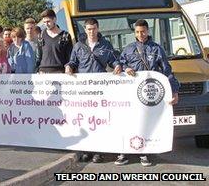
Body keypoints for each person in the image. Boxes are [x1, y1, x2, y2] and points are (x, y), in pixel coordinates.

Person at [115, 19, 180, 167]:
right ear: (134, 32)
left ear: (148, 31)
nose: (140, 35)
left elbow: (167, 71)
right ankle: (123, 152)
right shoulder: (128, 49)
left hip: (149, 93)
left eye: (143, 31)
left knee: (146, 122)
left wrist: (175, 91)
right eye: (137, 32)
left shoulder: (157, 49)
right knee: (128, 121)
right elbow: (120, 63)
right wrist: (125, 68)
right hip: (130, 93)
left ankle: (145, 153)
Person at [65, 18, 122, 164]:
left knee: (99, 119)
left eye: (94, 29)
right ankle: (86, 150)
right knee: (85, 119)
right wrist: (69, 67)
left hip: (100, 89)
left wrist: (117, 66)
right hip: (83, 89)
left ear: (98, 28)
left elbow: (113, 60)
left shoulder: (106, 44)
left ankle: (98, 151)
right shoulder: (78, 46)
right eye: (89, 29)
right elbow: (73, 61)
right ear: (85, 30)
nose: (91, 32)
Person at [38, 9, 73, 73]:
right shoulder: (40, 36)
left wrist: (68, 66)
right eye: (44, 22)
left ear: (54, 19)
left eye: (48, 21)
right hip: (43, 72)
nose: (46, 24)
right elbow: (39, 56)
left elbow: (69, 56)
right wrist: (38, 70)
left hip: (60, 71)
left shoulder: (65, 36)